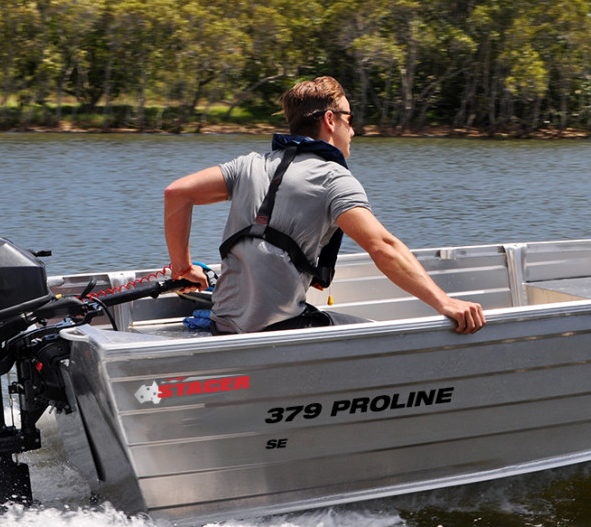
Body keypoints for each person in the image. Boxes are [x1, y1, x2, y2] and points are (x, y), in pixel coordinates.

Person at [164, 76, 486, 335]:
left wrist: (183, 268)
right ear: (330, 120)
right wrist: (444, 303)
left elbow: (177, 193)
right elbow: (383, 246)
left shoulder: (248, 164)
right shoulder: (333, 179)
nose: (354, 130)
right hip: (277, 329)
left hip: (223, 325)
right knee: (377, 334)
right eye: (350, 119)